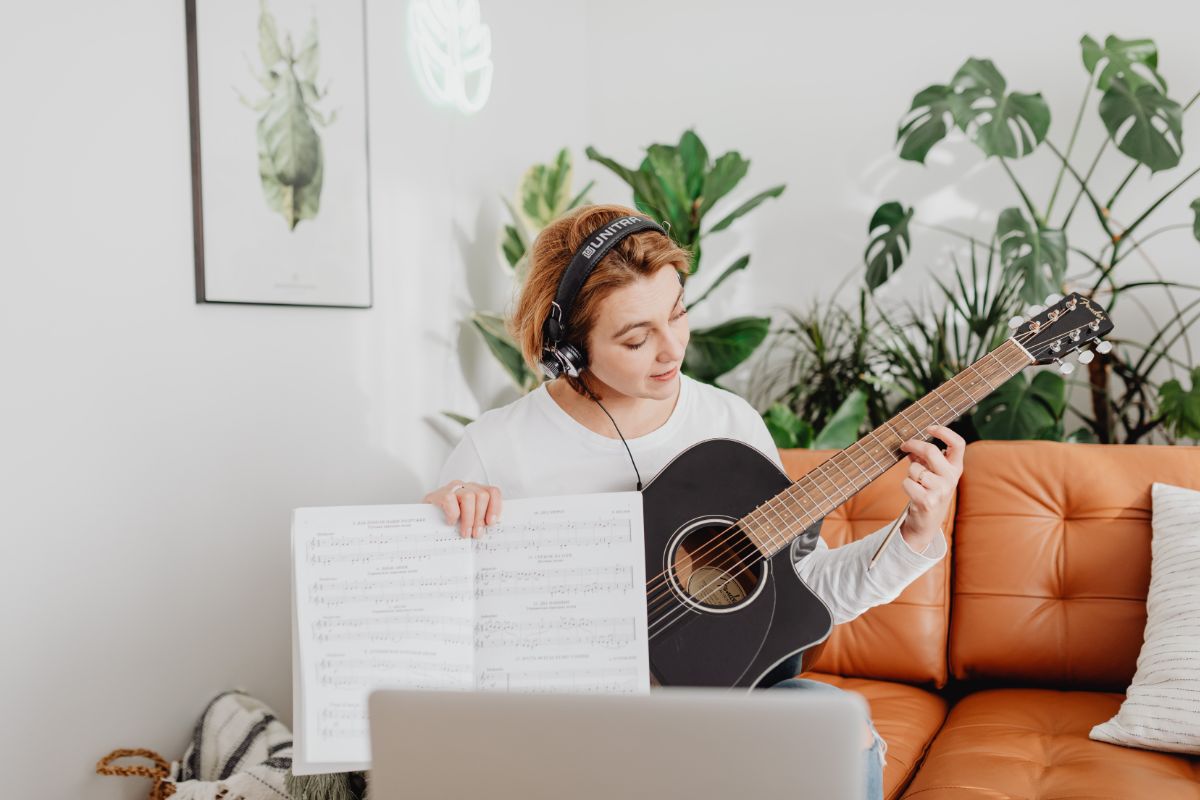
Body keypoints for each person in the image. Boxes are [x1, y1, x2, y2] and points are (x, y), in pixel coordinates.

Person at [427, 204, 964, 800]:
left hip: (712, 713)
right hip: (566, 725)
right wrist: (440, 525)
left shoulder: (729, 423)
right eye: (636, 338)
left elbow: (803, 598)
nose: (671, 349)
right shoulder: (497, 446)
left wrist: (916, 532)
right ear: (569, 350)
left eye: (678, 315)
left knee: (836, 722)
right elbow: (434, 634)